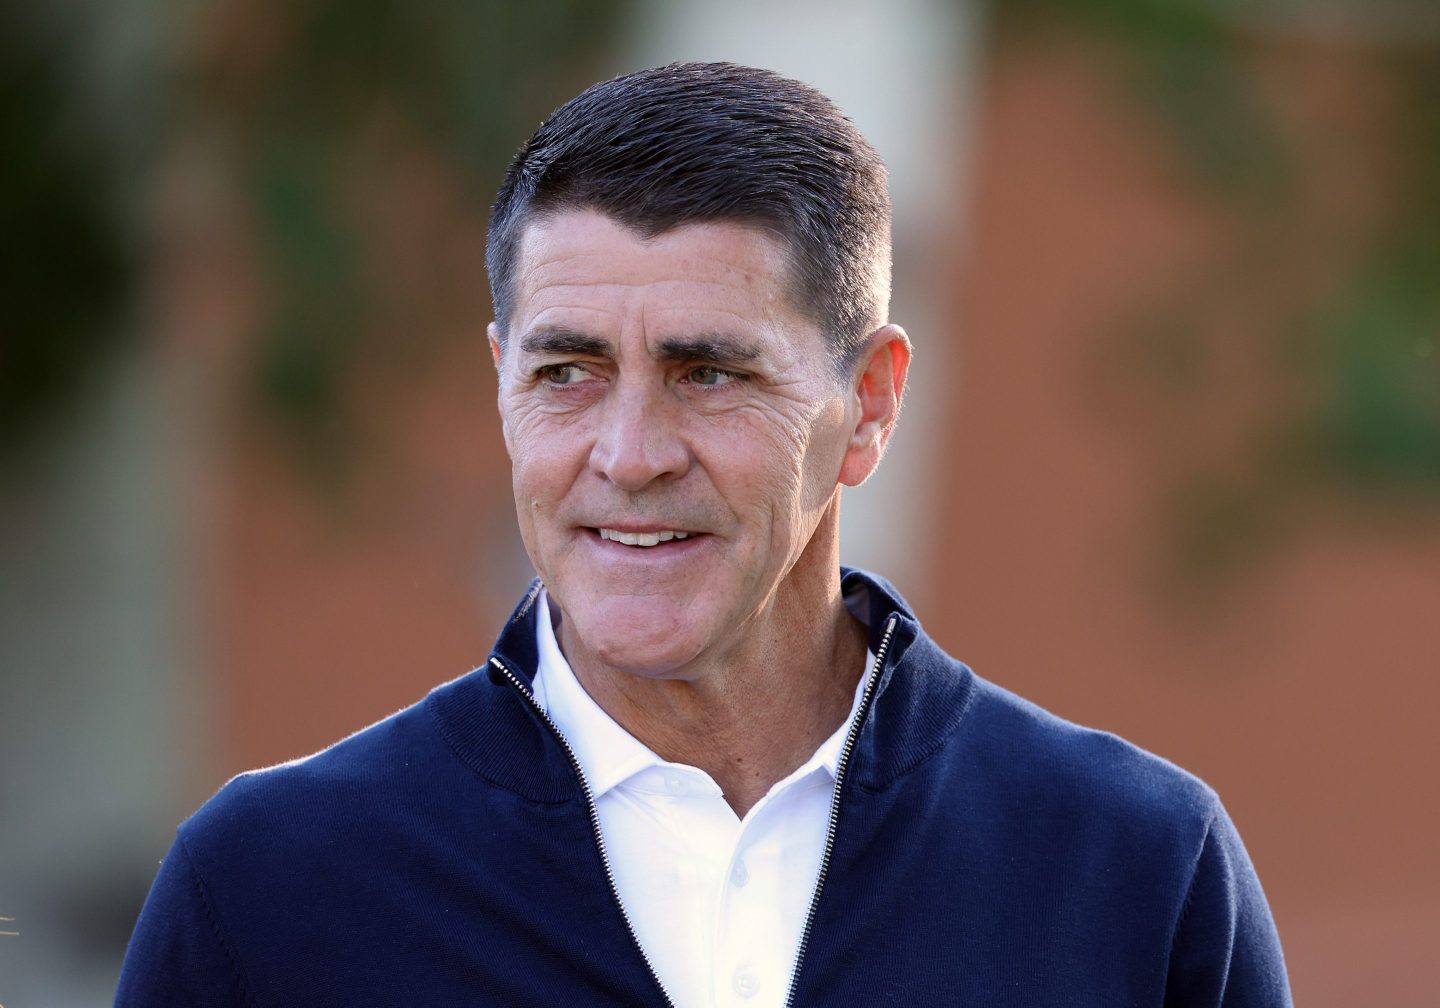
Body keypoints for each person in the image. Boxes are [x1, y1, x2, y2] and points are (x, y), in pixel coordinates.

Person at [116, 62, 1291, 1007]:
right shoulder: (272, 892)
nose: (629, 455)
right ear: (500, 381)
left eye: (709, 372)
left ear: (869, 404)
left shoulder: (1130, 871)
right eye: (567, 371)